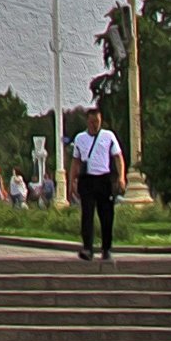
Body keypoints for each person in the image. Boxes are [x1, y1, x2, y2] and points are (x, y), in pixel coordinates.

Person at [69, 106, 125, 261]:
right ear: (87, 121)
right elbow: (75, 162)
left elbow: (118, 157)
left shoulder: (108, 136)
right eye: (92, 121)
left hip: (103, 179)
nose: (95, 125)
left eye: (98, 121)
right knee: (87, 215)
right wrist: (71, 182)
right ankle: (87, 248)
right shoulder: (80, 138)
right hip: (87, 180)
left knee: (106, 215)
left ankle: (106, 248)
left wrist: (121, 177)